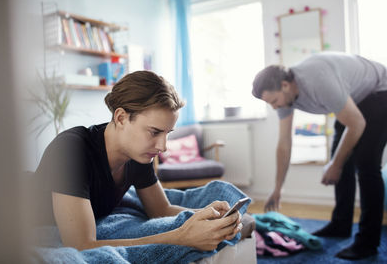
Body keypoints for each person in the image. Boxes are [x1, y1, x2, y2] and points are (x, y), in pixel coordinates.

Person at [34, 70, 255, 252]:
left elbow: (161, 209)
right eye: (154, 132)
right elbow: (82, 245)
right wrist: (181, 237)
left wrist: (209, 214)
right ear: (121, 117)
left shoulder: (138, 155)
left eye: (168, 133)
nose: (163, 146)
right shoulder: (72, 149)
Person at [251, 52, 387, 260]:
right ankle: (341, 224)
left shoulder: (318, 81)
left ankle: (367, 243)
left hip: (380, 91)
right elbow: (284, 144)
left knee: (366, 165)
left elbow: (357, 123)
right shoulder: (283, 98)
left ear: (285, 85)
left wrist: (336, 165)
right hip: (355, 99)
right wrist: (278, 188)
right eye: (270, 104)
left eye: (274, 101)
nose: (275, 107)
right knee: (340, 156)